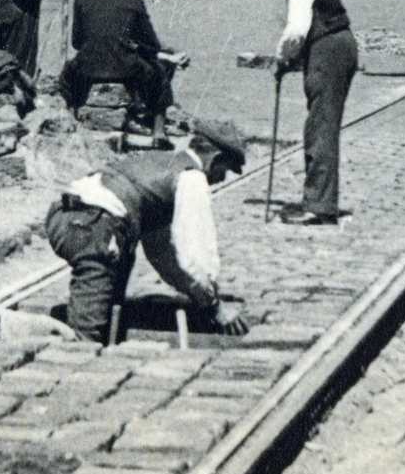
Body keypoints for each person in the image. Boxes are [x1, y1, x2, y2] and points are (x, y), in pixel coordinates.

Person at [45, 118, 251, 343]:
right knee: (86, 335)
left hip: (66, 217)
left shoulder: (160, 164)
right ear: (215, 158)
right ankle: (79, 346)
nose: (222, 178)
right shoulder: (192, 177)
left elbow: (162, 253)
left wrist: (197, 294)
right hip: (95, 228)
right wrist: (214, 305)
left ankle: (106, 337)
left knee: (116, 285)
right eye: (225, 169)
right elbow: (195, 252)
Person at [244, 0, 358, 226]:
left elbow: (297, 27)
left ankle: (319, 207)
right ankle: (320, 200)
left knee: (320, 128)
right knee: (321, 125)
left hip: (327, 49)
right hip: (334, 45)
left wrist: (283, 58)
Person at [59, 0, 189, 132]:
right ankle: (158, 129)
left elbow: (77, 42)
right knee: (158, 76)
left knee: (68, 75)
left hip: (88, 66)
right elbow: (151, 45)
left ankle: (71, 116)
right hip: (125, 68)